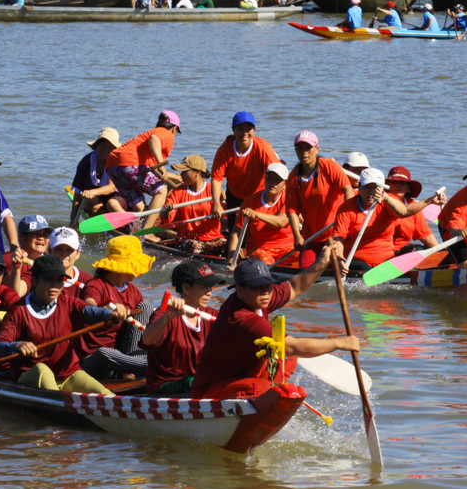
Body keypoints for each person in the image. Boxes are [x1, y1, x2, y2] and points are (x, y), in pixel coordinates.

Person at [191, 250, 360, 399]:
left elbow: (295, 286)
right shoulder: (241, 318)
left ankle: (269, 398)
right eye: (257, 287)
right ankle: (266, 398)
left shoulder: (258, 299)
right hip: (210, 390)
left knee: (286, 359)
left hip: (240, 375)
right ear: (240, 290)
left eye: (268, 286)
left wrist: (322, 261)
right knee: (267, 382)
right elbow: (293, 346)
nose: (265, 292)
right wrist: (339, 343)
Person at [0, 254, 129, 393]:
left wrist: (112, 314)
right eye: (48, 280)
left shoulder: (69, 303)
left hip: (67, 373)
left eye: (59, 280)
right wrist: (16, 346)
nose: (55, 286)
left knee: (107, 396)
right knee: (42, 369)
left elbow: (91, 312)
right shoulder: (18, 310)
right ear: (34, 280)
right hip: (31, 375)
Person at [139, 262, 223, 394]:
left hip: (198, 382)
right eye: (203, 287)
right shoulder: (164, 314)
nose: (209, 293)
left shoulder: (212, 315)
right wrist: (167, 317)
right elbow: (146, 340)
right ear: (186, 287)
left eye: (210, 287)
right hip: (165, 387)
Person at [79, 235, 155, 379]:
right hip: (96, 360)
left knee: (146, 307)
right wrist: (110, 312)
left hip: (124, 358)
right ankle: (151, 367)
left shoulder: (134, 292)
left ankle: (132, 371)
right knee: (104, 352)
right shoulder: (96, 285)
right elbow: (88, 305)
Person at [286, 130, 356, 268]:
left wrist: (347, 220)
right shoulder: (293, 177)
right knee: (305, 273)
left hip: (335, 234)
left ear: (317, 149)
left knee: (338, 269)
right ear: (295, 150)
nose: (304, 152)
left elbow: (348, 190)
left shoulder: (329, 166)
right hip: (311, 236)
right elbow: (292, 210)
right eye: (300, 148)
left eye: (308, 147)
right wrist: (297, 237)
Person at [105, 111, 183, 232]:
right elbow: (154, 139)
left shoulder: (147, 139)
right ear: (174, 129)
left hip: (113, 166)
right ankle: (147, 233)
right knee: (161, 190)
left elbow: (151, 169)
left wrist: (175, 177)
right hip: (130, 164)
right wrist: (160, 163)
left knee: (139, 206)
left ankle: (135, 232)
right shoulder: (164, 133)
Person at [332, 168, 412, 273]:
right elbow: (338, 238)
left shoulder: (388, 202)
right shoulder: (346, 208)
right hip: (357, 262)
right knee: (362, 267)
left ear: (382, 190)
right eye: (367, 187)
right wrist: (339, 259)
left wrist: (429, 201)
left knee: (412, 253)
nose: (371, 192)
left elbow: (403, 212)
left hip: (386, 260)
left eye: (375, 188)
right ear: (359, 187)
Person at [210, 111, 280, 224]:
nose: (245, 133)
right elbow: (217, 179)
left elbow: (278, 174)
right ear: (234, 130)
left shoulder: (263, 148)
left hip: (259, 195)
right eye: (240, 129)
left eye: (248, 129)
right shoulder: (224, 150)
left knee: (255, 231)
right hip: (234, 195)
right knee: (235, 231)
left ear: (254, 130)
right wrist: (216, 204)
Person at [227, 163, 294, 267]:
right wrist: (232, 258)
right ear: (264, 180)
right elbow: (236, 233)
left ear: (285, 185)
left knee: (308, 259)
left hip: (287, 247)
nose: (272, 183)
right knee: (265, 262)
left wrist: (256, 214)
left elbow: (281, 222)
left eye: (277, 180)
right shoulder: (250, 201)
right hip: (259, 249)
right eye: (269, 178)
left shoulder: (289, 198)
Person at [155, 154, 225, 254]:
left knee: (228, 247)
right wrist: (166, 211)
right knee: (196, 247)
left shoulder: (213, 190)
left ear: (197, 172)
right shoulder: (178, 192)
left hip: (214, 238)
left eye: (185, 171)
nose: (181, 174)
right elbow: (166, 219)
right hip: (188, 239)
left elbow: (225, 214)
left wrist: (223, 201)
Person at [70, 127, 125, 223]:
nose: (105, 150)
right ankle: (108, 222)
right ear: (97, 146)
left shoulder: (116, 162)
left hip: (117, 199)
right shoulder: (85, 162)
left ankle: (131, 224)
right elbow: (77, 193)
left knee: (111, 204)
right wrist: (72, 221)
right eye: (102, 146)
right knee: (91, 204)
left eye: (110, 147)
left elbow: (111, 188)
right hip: (98, 201)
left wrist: (92, 192)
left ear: (114, 149)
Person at [386, 166, 445, 255]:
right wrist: (430, 200)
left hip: (405, 250)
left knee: (422, 250)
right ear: (388, 185)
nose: (398, 185)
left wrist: (441, 252)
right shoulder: (382, 200)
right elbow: (403, 211)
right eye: (394, 182)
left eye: (402, 182)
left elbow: (425, 235)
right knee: (416, 250)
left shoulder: (413, 204)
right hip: (385, 250)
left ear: (408, 188)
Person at [6, 214, 51, 298]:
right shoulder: (9, 260)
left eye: (45, 234)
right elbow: (13, 294)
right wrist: (16, 267)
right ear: (21, 237)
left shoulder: (51, 261)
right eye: (36, 233)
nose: (41, 238)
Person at [47, 226, 88, 298]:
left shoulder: (87, 281)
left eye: (69, 250)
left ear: (77, 254)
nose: (64, 254)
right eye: (59, 249)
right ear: (50, 252)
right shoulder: (38, 277)